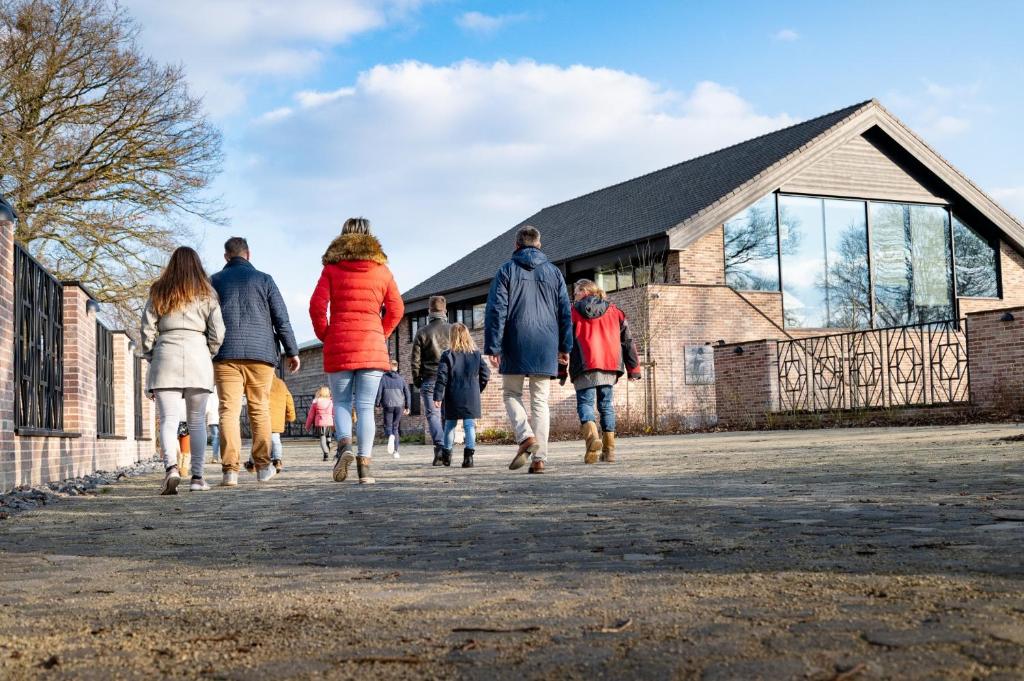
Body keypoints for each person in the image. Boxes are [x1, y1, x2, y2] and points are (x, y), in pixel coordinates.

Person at [309, 217, 403, 484]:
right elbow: (397, 309)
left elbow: (316, 307)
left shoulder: (332, 269)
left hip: (340, 342)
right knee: (364, 407)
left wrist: (327, 335)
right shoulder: (382, 270)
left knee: (340, 402)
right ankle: (365, 468)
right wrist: (380, 334)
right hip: (371, 345)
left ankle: (344, 447)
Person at [212, 237, 300, 487]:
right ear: (248, 254)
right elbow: (281, 318)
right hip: (261, 354)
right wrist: (292, 350)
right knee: (259, 408)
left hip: (225, 353)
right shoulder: (264, 279)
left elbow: (207, 318)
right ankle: (262, 467)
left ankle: (230, 471)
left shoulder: (214, 281)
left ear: (226, 256)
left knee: (228, 411)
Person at [484, 225, 572, 474]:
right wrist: (565, 346)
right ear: (539, 244)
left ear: (516, 245)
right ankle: (539, 459)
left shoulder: (506, 271)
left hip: (515, 340)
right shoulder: (555, 273)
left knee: (511, 393)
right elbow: (565, 312)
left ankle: (525, 437)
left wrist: (493, 345)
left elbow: (496, 310)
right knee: (540, 401)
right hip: (546, 343)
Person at [140, 246, 225, 494]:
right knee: (197, 421)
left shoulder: (159, 290)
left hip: (166, 353)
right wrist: (208, 352)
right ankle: (198, 478)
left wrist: (151, 355)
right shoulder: (208, 293)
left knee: (168, 420)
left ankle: (172, 469)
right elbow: (218, 332)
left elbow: (147, 328)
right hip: (198, 353)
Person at [560, 279, 642, 464]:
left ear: (584, 291)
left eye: (576, 293)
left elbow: (564, 342)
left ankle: (592, 441)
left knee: (585, 404)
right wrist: (633, 369)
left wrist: (561, 370)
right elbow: (628, 341)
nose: (574, 297)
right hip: (610, 365)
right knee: (606, 406)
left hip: (584, 365)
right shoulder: (615, 311)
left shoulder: (572, 313)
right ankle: (609, 451)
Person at [433, 324, 490, 468]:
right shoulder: (476, 354)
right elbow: (486, 374)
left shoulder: (448, 355)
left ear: (452, 336)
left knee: (450, 425)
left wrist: (438, 396)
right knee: (469, 425)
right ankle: (468, 459)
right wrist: (478, 389)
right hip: (471, 395)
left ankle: (447, 456)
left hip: (453, 394)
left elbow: (442, 377)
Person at [411, 296, 450, 464]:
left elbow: (415, 361)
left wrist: (417, 379)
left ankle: (440, 448)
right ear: (445, 312)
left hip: (429, 377)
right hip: (450, 378)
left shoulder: (422, 332)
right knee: (448, 415)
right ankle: (447, 449)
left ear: (429, 312)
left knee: (432, 415)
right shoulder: (453, 330)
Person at [245, 375, 296, 473]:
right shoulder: (281, 384)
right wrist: (291, 416)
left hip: (262, 415)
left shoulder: (259, 380)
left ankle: (252, 463)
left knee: (259, 440)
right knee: (275, 439)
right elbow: (289, 400)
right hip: (276, 417)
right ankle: (277, 461)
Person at [376, 359, 411, 459]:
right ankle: (396, 452)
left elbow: (379, 392)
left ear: (389, 367)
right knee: (395, 427)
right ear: (397, 367)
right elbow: (407, 393)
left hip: (388, 405)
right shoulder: (401, 379)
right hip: (399, 406)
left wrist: (377, 403)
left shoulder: (384, 378)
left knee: (388, 426)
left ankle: (390, 435)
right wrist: (407, 406)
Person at [305, 386, 335, 461]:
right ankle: (329, 443)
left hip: (320, 423)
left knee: (322, 438)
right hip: (329, 422)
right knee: (328, 436)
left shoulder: (316, 402)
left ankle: (326, 454)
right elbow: (334, 414)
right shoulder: (331, 402)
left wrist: (307, 426)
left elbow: (310, 416)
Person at [206, 389, 221, 463]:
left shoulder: (210, 393)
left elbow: (207, 408)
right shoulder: (224, 390)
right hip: (224, 417)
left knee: (215, 437)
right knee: (225, 438)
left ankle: (215, 457)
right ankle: (225, 457)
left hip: (213, 418)